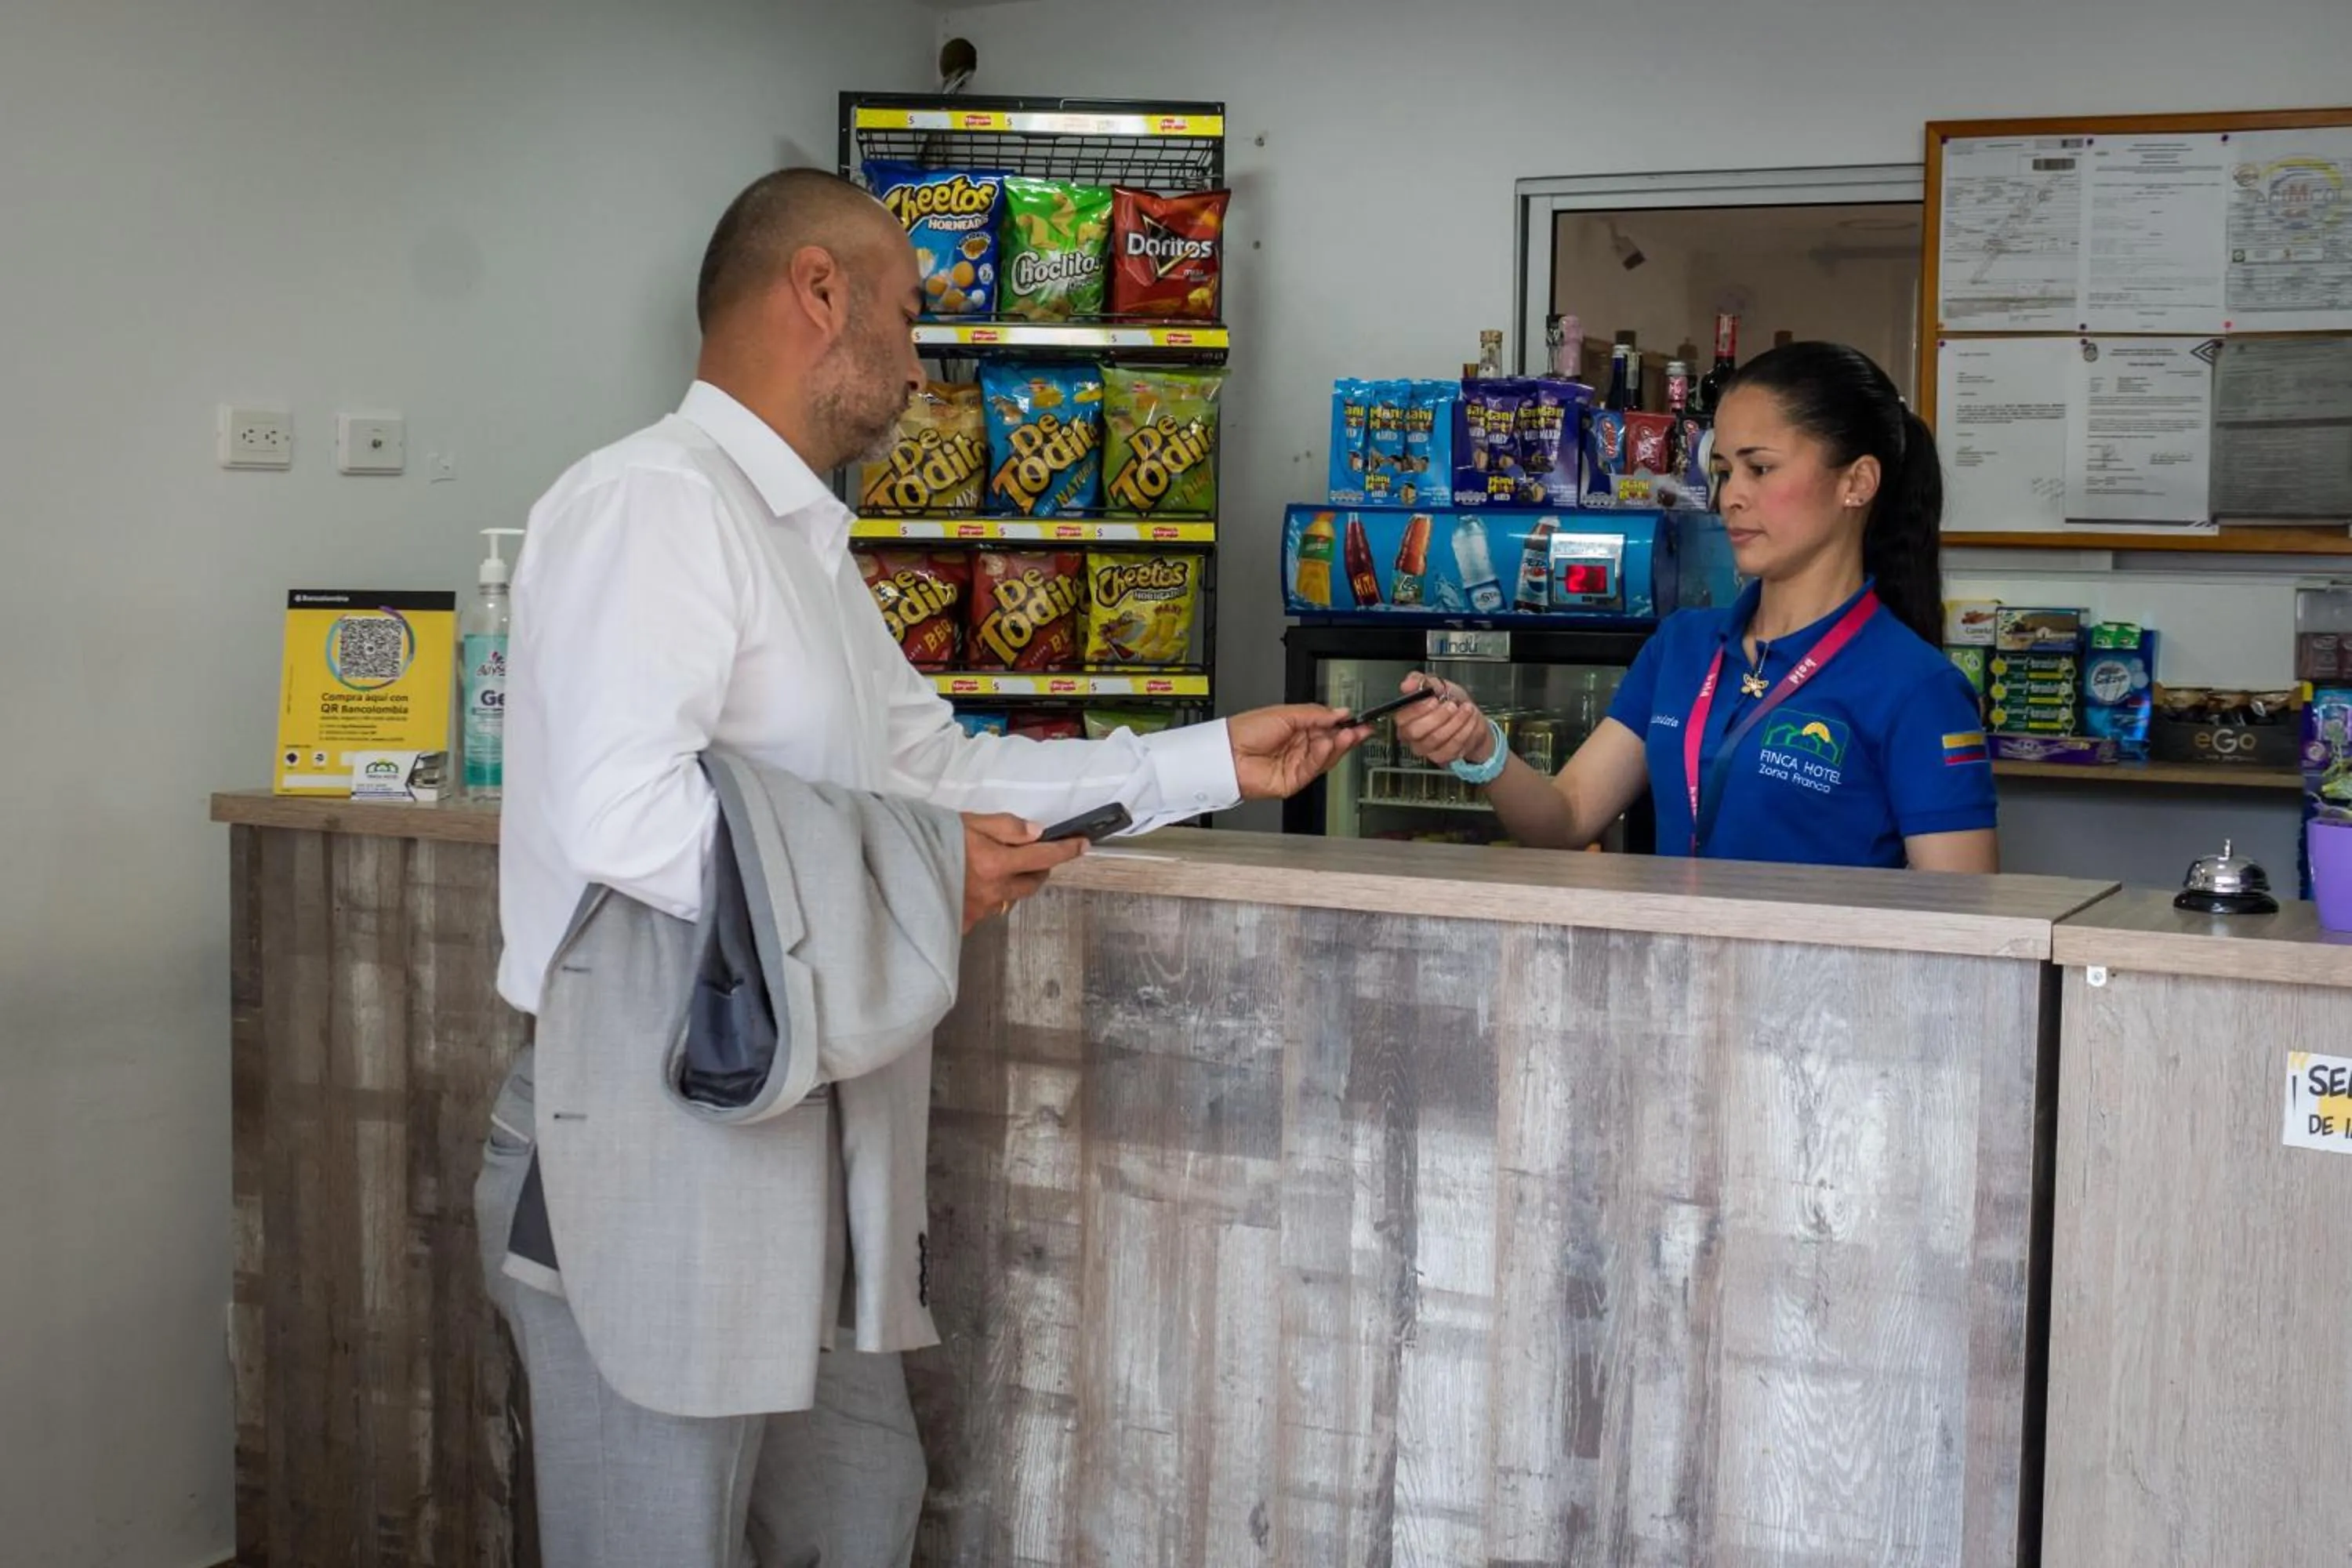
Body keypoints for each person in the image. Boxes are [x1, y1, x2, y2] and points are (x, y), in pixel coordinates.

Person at [475, 166, 1365, 1568]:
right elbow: (622, 818)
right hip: (645, 1128)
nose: (923, 356)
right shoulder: (651, 504)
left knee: (856, 1506)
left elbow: (937, 774)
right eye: (909, 311)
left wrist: (1208, 764)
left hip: (794, 1131)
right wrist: (910, 877)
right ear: (817, 294)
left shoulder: (806, 550)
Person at [1394, 340, 1996, 873]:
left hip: (1818, 1000)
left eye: (1760, 468)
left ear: (1857, 483)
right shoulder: (1683, 645)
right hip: (1678, 987)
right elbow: (1568, 817)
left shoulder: (1917, 688)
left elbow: (1961, 925)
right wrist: (1480, 747)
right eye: (1723, 470)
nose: (1730, 496)